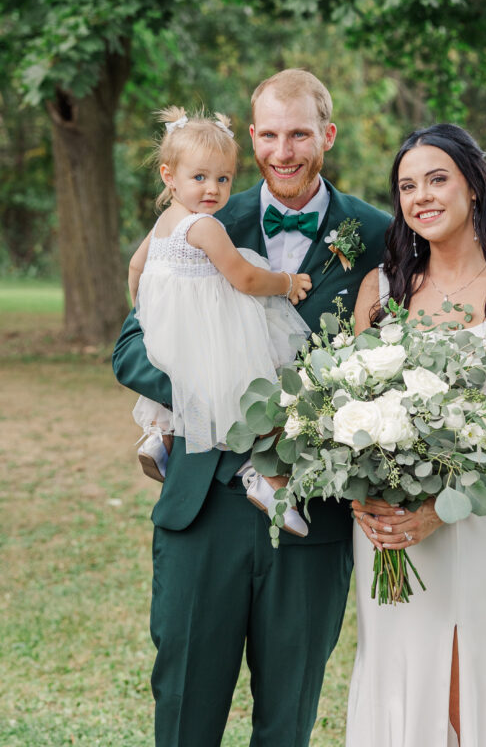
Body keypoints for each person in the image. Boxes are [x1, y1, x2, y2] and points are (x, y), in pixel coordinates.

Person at [112, 69, 390, 747]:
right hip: (201, 505)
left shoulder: (379, 232)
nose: (283, 151)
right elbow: (131, 347)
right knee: (183, 706)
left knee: (287, 714)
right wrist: (222, 393)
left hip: (310, 517)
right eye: (268, 134)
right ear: (252, 137)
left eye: (299, 134)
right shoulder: (200, 211)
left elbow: (400, 349)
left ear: (325, 135)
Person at [349, 123, 486, 747]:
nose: (421, 196)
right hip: (388, 531)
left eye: (437, 179)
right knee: (393, 678)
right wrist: (365, 489)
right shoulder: (380, 290)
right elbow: (350, 410)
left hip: (475, 522)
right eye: (407, 186)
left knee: (466, 687)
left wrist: (440, 514)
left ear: (472, 185)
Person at [128, 104, 311, 537]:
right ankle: (268, 480)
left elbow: (136, 268)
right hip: (215, 336)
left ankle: (159, 435)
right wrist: (285, 282)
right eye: (200, 177)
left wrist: (146, 314)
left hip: (170, 338)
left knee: (185, 390)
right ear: (168, 176)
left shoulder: (161, 225)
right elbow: (245, 277)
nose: (213, 189)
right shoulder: (205, 227)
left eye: (223, 179)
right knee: (262, 392)